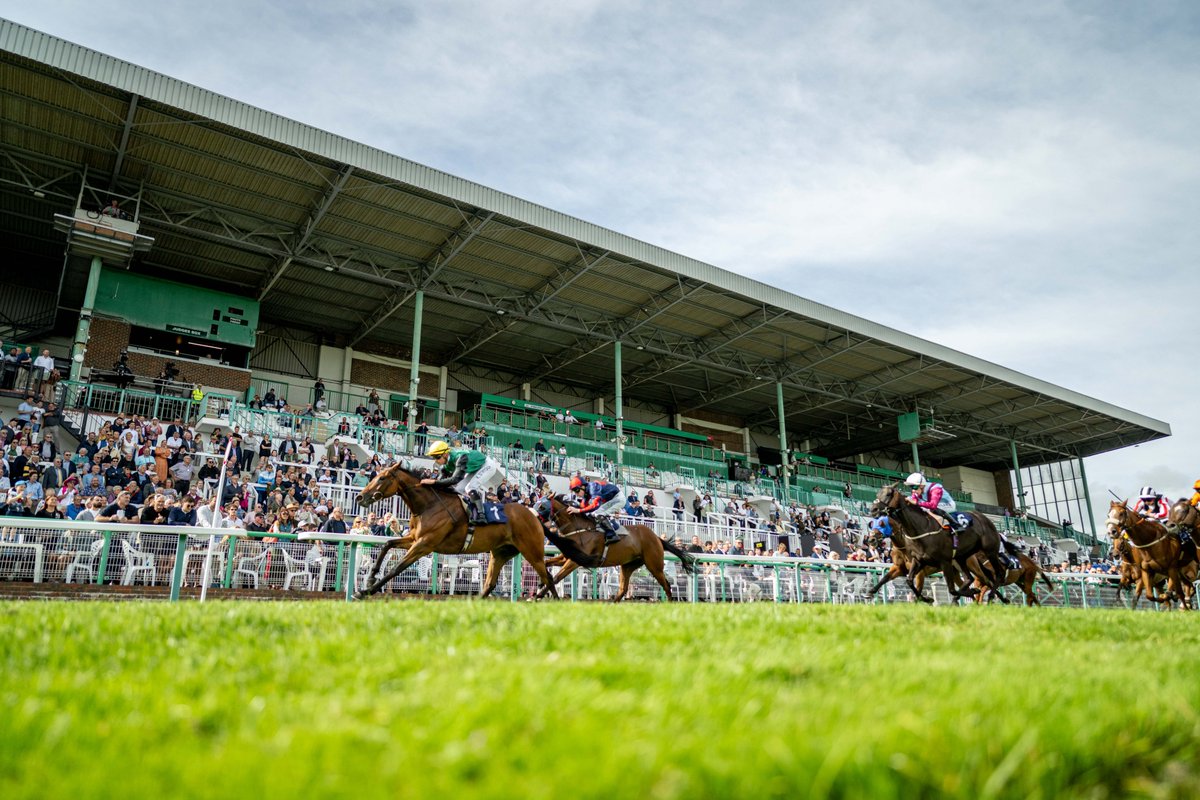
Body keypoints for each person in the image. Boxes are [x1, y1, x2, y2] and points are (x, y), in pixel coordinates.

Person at [420, 440, 502, 526]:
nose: (435, 460)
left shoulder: (459, 458)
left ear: (445, 454)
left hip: (487, 465)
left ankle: (482, 516)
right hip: (476, 467)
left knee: (470, 488)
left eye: (437, 457)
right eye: (434, 457)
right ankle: (471, 513)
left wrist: (433, 482)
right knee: (459, 489)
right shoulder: (447, 462)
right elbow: (441, 481)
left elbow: (455, 479)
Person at [568, 475, 623, 543]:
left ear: (583, 486)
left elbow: (595, 505)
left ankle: (613, 534)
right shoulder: (586, 492)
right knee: (590, 513)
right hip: (609, 500)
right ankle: (610, 525)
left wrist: (578, 510)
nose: (576, 494)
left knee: (597, 513)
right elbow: (583, 507)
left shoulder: (593, 487)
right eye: (574, 492)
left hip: (617, 499)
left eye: (577, 491)